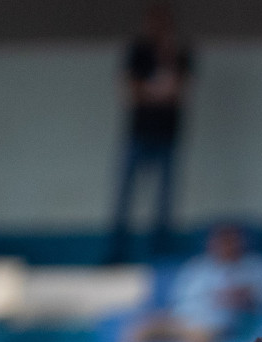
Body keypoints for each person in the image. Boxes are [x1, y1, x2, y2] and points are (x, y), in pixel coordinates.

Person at [125, 224, 262, 342]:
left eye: (230, 240)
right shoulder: (197, 267)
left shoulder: (253, 267)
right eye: (220, 240)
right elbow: (177, 300)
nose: (225, 245)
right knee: (137, 331)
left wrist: (239, 296)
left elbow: (258, 300)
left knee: (196, 340)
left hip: (212, 327)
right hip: (179, 321)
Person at [106, 3, 193, 262]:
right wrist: (157, 91)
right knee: (124, 196)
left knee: (164, 201)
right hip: (138, 134)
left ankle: (160, 253)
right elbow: (129, 93)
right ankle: (116, 253)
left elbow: (180, 93)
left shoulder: (180, 52)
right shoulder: (137, 51)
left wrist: (165, 63)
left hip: (168, 135)